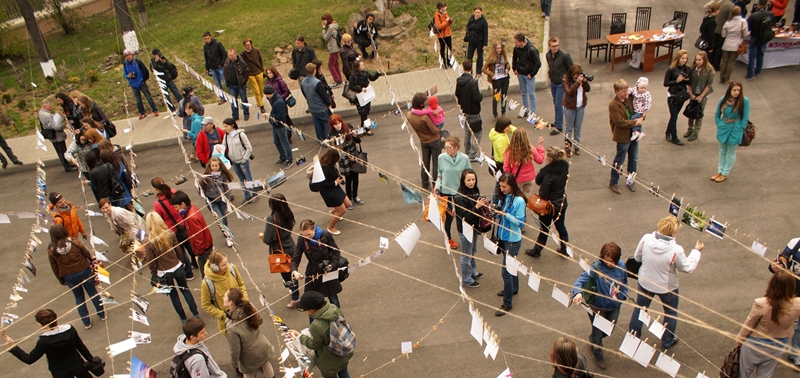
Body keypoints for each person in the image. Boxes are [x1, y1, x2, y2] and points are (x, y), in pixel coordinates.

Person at [628, 216, 705, 349]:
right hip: (667, 287)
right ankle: (667, 341)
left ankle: (634, 338)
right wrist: (696, 251)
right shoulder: (676, 250)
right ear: (674, 232)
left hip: (645, 282)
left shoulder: (646, 239)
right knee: (670, 313)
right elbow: (687, 268)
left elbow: (637, 257)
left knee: (640, 309)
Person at [571, 242, 628, 370]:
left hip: (614, 306)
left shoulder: (622, 266)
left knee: (609, 330)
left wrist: (622, 295)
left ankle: (594, 339)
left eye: (612, 261)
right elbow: (579, 281)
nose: (609, 264)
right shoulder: (595, 267)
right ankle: (598, 354)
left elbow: (624, 283)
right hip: (597, 308)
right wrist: (578, 293)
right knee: (597, 334)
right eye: (607, 261)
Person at [735, 271, 800, 377]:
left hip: (754, 344)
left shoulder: (761, 303)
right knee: (765, 375)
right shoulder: (797, 304)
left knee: (743, 373)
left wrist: (739, 340)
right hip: (778, 344)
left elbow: (749, 324)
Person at [137, 212, 199, 322]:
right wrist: (182, 262)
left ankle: (183, 318)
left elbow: (151, 260)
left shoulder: (149, 241)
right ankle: (195, 313)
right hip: (177, 266)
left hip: (163, 272)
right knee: (185, 290)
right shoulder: (169, 233)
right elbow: (178, 250)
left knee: (173, 295)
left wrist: (153, 273)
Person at [5, 309, 96, 378]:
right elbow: (81, 346)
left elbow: (29, 359)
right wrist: (90, 359)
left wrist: (13, 347)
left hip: (59, 372)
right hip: (77, 365)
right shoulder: (70, 329)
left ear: (41, 325)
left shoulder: (44, 341)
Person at [47, 224, 105, 329]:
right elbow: (86, 253)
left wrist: (61, 280)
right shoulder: (74, 242)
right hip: (84, 270)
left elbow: (54, 267)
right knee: (93, 293)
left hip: (69, 277)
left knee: (79, 298)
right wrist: (92, 260)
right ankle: (102, 314)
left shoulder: (51, 250)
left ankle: (86, 322)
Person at [290, 291, 353, 378]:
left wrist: (301, 337)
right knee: (344, 374)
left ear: (311, 310)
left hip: (329, 360)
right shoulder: (334, 308)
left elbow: (315, 345)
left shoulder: (316, 325)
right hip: (343, 351)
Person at [526, 146, 569, 258]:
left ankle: (537, 250)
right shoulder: (565, 167)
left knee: (544, 228)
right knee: (561, 226)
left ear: (550, 158)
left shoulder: (548, 174)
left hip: (548, 206)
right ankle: (564, 249)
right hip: (561, 203)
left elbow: (543, 193)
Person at [291, 220, 343, 308]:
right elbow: (296, 258)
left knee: (333, 298)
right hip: (313, 271)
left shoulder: (325, 235)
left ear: (314, 229)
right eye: (304, 235)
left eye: (309, 234)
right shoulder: (301, 239)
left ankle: (340, 320)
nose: (307, 237)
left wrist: (332, 265)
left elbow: (336, 252)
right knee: (311, 301)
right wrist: (294, 271)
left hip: (328, 270)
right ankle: (314, 321)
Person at [223, 288, 275, 378]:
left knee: (248, 373)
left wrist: (234, 364)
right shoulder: (249, 307)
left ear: (230, 302)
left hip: (248, 356)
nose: (223, 298)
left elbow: (234, 349)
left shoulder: (231, 326)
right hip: (262, 345)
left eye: (225, 296)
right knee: (266, 364)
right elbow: (260, 321)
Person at [152, 178, 196, 279]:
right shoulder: (174, 192)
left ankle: (189, 273)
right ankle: (195, 262)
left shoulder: (158, 204)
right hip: (184, 224)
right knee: (190, 245)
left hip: (172, 231)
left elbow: (160, 219)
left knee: (181, 252)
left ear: (155, 189)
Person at [495, 173, 526, 317]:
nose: (501, 189)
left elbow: (520, 222)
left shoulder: (519, 201)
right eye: (500, 186)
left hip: (512, 241)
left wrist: (505, 214)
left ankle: (507, 304)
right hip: (503, 237)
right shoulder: (506, 197)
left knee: (506, 272)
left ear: (512, 185)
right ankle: (514, 288)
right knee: (512, 266)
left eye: (504, 186)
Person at [262, 193, 300, 308]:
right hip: (290, 245)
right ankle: (294, 293)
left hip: (280, 250)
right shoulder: (288, 213)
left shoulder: (272, 218)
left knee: (286, 274)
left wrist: (262, 236)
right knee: (293, 270)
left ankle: (295, 297)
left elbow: (268, 238)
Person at [768, 237, 800, 367]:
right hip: (790, 292)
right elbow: (781, 262)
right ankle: (769, 350)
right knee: (779, 322)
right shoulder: (795, 243)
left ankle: (796, 354)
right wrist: (773, 267)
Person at [436, 136, 472, 249]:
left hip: (460, 193)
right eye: (445, 147)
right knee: (448, 217)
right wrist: (437, 187)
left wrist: (470, 189)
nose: (446, 149)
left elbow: (469, 174)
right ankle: (448, 237)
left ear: (456, 148)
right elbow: (439, 174)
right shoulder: (441, 158)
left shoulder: (465, 158)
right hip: (445, 192)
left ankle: (464, 237)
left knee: (463, 216)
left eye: (449, 147)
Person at [200, 249, 246, 334]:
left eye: (226, 262)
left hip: (244, 314)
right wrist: (222, 315)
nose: (227, 266)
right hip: (228, 323)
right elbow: (206, 304)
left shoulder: (232, 268)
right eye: (223, 265)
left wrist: (245, 300)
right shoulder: (207, 283)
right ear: (215, 267)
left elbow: (241, 285)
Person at [607, 79, 641, 195]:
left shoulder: (630, 98)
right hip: (623, 136)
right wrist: (635, 122)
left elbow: (639, 108)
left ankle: (630, 180)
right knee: (619, 160)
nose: (626, 93)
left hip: (633, 134)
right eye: (623, 91)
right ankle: (613, 182)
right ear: (616, 91)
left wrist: (641, 117)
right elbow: (620, 122)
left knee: (634, 158)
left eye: (627, 90)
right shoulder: (613, 105)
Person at [454, 169, 487, 288]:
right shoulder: (459, 197)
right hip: (465, 229)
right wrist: (477, 206)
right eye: (468, 180)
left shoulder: (475, 190)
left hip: (474, 227)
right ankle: (467, 279)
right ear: (463, 181)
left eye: (473, 179)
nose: (471, 182)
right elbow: (465, 216)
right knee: (466, 255)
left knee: (473, 251)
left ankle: (473, 272)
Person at [170, 190, 214, 278]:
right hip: (207, 245)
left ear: (182, 204)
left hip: (203, 250)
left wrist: (198, 253)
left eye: (176, 207)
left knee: (206, 275)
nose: (176, 210)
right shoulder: (192, 208)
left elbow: (198, 237)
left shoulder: (191, 218)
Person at [713, 81, 750, 182]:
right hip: (724, 126)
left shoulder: (744, 101)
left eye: (739, 90)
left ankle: (725, 173)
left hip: (736, 127)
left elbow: (745, 117)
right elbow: (717, 113)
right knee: (722, 151)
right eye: (734, 90)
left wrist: (740, 128)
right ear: (730, 90)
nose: (736, 92)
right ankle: (719, 171)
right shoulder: (723, 99)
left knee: (731, 152)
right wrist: (719, 124)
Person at [311, 149, 352, 234]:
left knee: (347, 204)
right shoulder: (325, 168)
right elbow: (322, 184)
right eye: (338, 156)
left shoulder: (330, 164)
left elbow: (335, 174)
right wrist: (335, 183)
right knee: (342, 211)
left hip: (336, 188)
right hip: (329, 192)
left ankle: (334, 212)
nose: (340, 158)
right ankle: (331, 227)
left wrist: (338, 181)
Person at [408, 93, 442, 189]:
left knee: (425, 163)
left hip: (423, 141)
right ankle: (435, 183)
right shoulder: (425, 117)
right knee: (436, 162)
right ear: (422, 104)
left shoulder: (409, 115)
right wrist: (439, 127)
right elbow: (434, 130)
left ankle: (425, 182)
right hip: (434, 140)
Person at [221, 118, 258, 204]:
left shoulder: (241, 134)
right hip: (234, 162)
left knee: (248, 178)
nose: (225, 128)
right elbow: (223, 146)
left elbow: (249, 147)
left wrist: (244, 159)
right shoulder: (226, 136)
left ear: (232, 125)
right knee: (241, 179)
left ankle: (255, 194)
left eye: (226, 126)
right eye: (224, 126)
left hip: (242, 161)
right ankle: (247, 196)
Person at [329, 114, 362, 209]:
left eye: (339, 123)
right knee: (348, 179)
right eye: (335, 124)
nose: (338, 125)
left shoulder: (348, 126)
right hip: (344, 158)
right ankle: (349, 198)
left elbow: (358, 141)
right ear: (332, 125)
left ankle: (355, 195)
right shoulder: (332, 135)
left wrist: (355, 136)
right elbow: (334, 149)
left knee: (356, 177)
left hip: (354, 155)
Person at [455, 60, 483, 161]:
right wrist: (481, 96)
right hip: (474, 111)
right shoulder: (473, 82)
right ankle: (472, 154)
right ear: (471, 68)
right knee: (477, 134)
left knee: (467, 132)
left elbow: (457, 95)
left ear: (463, 67)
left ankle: (466, 152)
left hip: (464, 111)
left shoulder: (459, 80)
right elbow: (477, 98)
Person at [684, 51, 716, 141]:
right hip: (693, 93)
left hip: (703, 94)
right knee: (691, 110)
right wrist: (691, 93)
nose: (697, 61)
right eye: (696, 59)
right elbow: (688, 81)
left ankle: (696, 131)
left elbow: (709, 84)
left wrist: (701, 96)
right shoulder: (692, 68)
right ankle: (690, 128)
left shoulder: (709, 70)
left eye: (699, 60)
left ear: (704, 60)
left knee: (699, 112)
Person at [503, 128, 544, 195]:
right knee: (527, 197)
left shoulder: (510, 151)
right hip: (530, 178)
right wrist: (540, 147)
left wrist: (511, 173)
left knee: (517, 197)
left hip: (517, 179)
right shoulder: (530, 148)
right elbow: (540, 160)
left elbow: (506, 167)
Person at [39, 100, 76, 172]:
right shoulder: (47, 115)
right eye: (50, 106)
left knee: (61, 151)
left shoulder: (41, 113)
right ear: (45, 106)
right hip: (57, 136)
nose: (51, 108)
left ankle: (68, 164)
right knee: (62, 151)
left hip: (53, 136)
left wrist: (55, 116)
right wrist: (63, 125)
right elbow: (55, 126)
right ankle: (67, 167)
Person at [546, 37, 573, 135]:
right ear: (549, 46)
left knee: (558, 103)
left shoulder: (564, 56)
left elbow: (572, 68)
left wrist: (567, 80)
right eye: (553, 46)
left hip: (561, 83)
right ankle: (557, 121)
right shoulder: (548, 55)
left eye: (557, 45)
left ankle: (559, 126)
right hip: (553, 81)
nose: (555, 48)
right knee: (555, 102)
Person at [348, 57, 382, 135]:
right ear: (357, 67)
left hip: (367, 95)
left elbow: (372, 78)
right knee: (364, 113)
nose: (363, 66)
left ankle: (363, 125)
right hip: (359, 97)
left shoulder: (365, 72)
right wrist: (360, 89)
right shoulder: (354, 76)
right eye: (362, 65)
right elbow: (351, 86)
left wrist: (378, 73)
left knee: (366, 111)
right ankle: (367, 129)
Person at [562, 64, 590, 156]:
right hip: (570, 107)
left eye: (579, 74)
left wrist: (585, 82)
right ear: (572, 74)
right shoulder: (565, 79)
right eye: (575, 74)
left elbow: (588, 89)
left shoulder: (581, 80)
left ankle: (577, 146)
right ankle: (567, 147)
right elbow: (569, 92)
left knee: (578, 128)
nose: (577, 76)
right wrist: (577, 82)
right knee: (569, 128)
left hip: (581, 106)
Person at [664, 50, 691, 146]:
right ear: (678, 58)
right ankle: (674, 137)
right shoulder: (671, 69)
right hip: (672, 95)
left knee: (674, 116)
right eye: (682, 58)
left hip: (682, 95)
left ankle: (668, 132)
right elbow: (666, 83)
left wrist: (687, 80)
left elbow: (689, 82)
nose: (684, 60)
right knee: (674, 116)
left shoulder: (687, 68)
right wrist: (676, 81)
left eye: (685, 58)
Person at [122, 49, 159, 119]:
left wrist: (144, 80)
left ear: (132, 55)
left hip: (141, 82)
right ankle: (142, 113)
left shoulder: (137, 62)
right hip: (133, 85)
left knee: (149, 97)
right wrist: (128, 76)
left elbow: (145, 71)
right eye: (126, 56)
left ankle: (155, 110)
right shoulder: (125, 64)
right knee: (138, 100)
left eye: (129, 55)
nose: (128, 57)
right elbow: (124, 74)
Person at [200, 157, 234, 232]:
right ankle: (226, 235)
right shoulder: (205, 177)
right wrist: (201, 188)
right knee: (220, 218)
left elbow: (226, 189)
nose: (214, 168)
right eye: (213, 166)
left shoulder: (223, 176)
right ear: (209, 166)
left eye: (216, 166)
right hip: (212, 201)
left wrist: (227, 200)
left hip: (222, 200)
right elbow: (201, 191)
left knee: (224, 218)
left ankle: (226, 230)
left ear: (220, 166)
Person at [512, 33, 541, 119]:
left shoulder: (531, 50)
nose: (515, 44)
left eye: (516, 42)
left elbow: (538, 63)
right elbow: (514, 58)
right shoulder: (516, 49)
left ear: (521, 42)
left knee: (531, 94)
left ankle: (533, 113)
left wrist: (532, 73)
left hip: (529, 75)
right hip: (520, 73)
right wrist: (514, 68)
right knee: (523, 93)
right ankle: (526, 110)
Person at [301, 62, 333, 141]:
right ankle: (327, 138)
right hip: (321, 107)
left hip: (312, 107)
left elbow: (304, 94)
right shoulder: (317, 82)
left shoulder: (303, 82)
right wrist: (329, 103)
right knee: (326, 122)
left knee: (317, 123)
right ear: (314, 70)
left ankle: (320, 139)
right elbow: (323, 96)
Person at [264, 85, 293, 168]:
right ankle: (283, 156)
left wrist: (269, 116)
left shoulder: (278, 102)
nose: (266, 96)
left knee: (285, 142)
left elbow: (281, 117)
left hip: (280, 126)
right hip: (275, 125)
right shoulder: (274, 99)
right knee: (276, 141)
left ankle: (290, 160)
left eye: (267, 94)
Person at [746, 0, 777, 80]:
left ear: (758, 4)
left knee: (752, 55)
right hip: (764, 37)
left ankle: (750, 74)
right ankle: (758, 71)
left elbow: (748, 28)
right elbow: (773, 24)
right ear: (766, 4)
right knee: (761, 54)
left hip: (755, 37)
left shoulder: (753, 15)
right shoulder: (770, 14)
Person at [488, 117, 516, 200]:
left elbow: (513, 130)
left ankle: (496, 200)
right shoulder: (502, 140)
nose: (510, 128)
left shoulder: (496, 133)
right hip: (503, 164)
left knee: (499, 183)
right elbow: (504, 155)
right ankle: (496, 201)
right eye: (507, 126)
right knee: (501, 184)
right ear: (502, 127)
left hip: (498, 162)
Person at [721, 7, 749, 85]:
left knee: (724, 62)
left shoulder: (728, 21)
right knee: (731, 63)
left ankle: (721, 78)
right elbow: (745, 34)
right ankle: (727, 79)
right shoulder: (743, 22)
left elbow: (723, 35)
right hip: (736, 45)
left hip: (726, 44)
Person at [482, 41, 510, 118]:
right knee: (496, 96)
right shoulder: (491, 58)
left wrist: (507, 69)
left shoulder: (503, 55)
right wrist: (491, 74)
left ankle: (503, 111)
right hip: (496, 79)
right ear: (495, 49)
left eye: (500, 48)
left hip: (505, 78)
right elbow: (484, 69)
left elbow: (507, 63)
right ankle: (495, 113)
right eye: (498, 48)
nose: (499, 50)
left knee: (504, 96)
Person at [150, 48, 181, 113]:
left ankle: (182, 106)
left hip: (168, 79)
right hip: (162, 81)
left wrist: (164, 62)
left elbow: (170, 67)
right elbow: (154, 70)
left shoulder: (163, 59)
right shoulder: (152, 63)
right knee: (166, 96)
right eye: (156, 54)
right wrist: (156, 62)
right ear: (153, 55)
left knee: (176, 93)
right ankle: (172, 109)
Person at [223, 48, 250, 122]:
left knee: (244, 99)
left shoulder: (242, 62)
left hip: (240, 85)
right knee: (233, 101)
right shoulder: (227, 62)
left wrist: (244, 81)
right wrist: (227, 81)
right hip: (231, 85)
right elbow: (225, 72)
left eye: (232, 55)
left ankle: (246, 114)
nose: (230, 57)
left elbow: (247, 72)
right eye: (229, 55)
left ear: (235, 54)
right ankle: (235, 116)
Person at [240, 39, 266, 113]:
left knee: (261, 90)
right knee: (256, 91)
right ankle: (261, 106)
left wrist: (262, 70)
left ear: (251, 44)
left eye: (248, 45)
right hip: (251, 75)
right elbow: (243, 65)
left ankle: (259, 100)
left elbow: (260, 60)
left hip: (258, 72)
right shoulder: (243, 54)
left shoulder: (256, 51)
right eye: (246, 45)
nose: (247, 47)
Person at [203, 31, 227, 105]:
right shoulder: (205, 47)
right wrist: (207, 68)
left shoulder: (217, 44)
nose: (207, 40)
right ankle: (222, 98)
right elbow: (206, 58)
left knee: (226, 82)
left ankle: (233, 95)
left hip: (220, 67)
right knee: (218, 84)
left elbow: (224, 54)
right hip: (212, 68)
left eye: (208, 38)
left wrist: (221, 63)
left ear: (211, 37)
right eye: (205, 39)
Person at [712, 0, 736, 70]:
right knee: (719, 49)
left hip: (715, 28)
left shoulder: (720, 2)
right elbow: (731, 19)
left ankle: (710, 62)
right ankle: (716, 65)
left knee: (713, 47)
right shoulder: (731, 6)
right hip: (722, 30)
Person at [321, 14, 343, 88]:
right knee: (336, 64)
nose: (323, 22)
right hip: (337, 47)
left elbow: (325, 38)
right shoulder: (335, 25)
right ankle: (339, 79)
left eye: (324, 20)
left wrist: (324, 29)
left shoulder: (330, 28)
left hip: (333, 48)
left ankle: (337, 81)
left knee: (331, 65)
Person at [465, 7, 489, 75]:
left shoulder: (484, 21)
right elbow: (467, 27)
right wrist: (467, 33)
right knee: (469, 56)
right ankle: (469, 70)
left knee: (480, 56)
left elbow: (485, 33)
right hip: (471, 41)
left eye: (478, 12)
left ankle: (479, 71)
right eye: (476, 12)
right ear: (474, 12)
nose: (477, 14)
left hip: (480, 41)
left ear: (481, 12)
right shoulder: (471, 18)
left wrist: (485, 44)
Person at [627, 77, 652, 141]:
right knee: (639, 121)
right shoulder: (635, 90)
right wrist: (626, 92)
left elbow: (648, 103)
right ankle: (640, 132)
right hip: (636, 109)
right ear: (637, 87)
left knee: (633, 119)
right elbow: (630, 90)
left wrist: (645, 111)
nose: (643, 89)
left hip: (641, 111)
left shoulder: (646, 94)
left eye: (644, 88)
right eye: (641, 88)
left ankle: (635, 131)